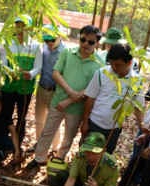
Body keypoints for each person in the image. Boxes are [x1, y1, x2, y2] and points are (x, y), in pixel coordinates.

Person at [28, 25, 104, 168]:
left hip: (77, 108)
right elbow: (56, 72)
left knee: (68, 137)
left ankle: (58, 161)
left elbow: (92, 88)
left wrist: (70, 100)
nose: (85, 44)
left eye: (91, 42)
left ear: (97, 43)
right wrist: (70, 92)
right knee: (47, 131)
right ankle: (39, 158)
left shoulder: (99, 64)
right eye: (83, 40)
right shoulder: (68, 52)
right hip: (58, 101)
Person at [81, 43, 144, 154]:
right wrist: (85, 122)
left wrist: (142, 126)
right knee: (87, 154)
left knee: (104, 157)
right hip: (95, 123)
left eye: (118, 65)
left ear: (129, 62)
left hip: (114, 128)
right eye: (111, 64)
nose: (114, 68)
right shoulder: (102, 73)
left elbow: (138, 106)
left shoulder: (136, 81)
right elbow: (90, 98)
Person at [0, 15, 42, 151]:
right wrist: (9, 71)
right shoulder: (7, 43)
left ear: (28, 28)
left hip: (25, 87)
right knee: (6, 114)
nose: (20, 29)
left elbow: (38, 66)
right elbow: (2, 63)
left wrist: (30, 74)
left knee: (21, 116)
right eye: (17, 25)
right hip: (9, 86)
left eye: (23, 26)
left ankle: (18, 143)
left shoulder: (36, 46)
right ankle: (5, 142)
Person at [34, 24, 65, 151]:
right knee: (39, 120)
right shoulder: (43, 49)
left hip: (55, 92)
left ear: (58, 37)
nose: (49, 43)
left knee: (53, 123)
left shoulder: (65, 53)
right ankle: (38, 143)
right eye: (46, 40)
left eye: (52, 39)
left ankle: (54, 148)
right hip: (42, 89)